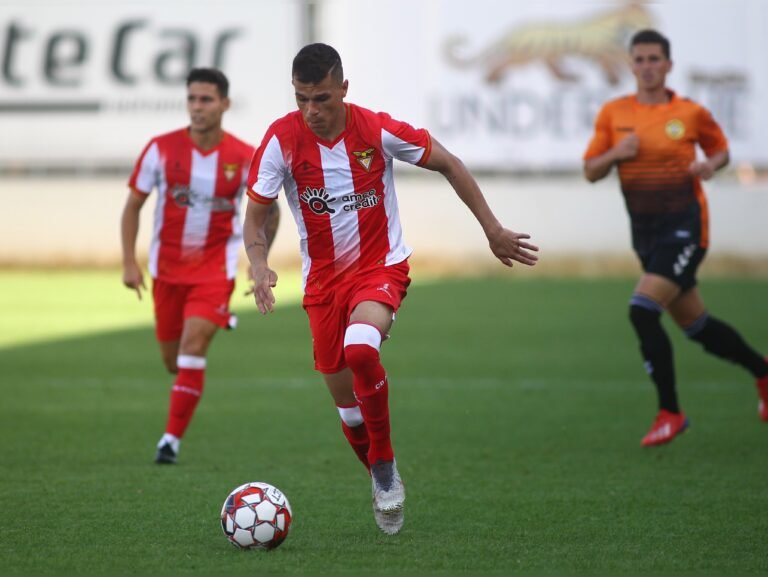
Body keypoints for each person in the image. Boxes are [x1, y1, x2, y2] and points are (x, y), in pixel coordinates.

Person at [242, 43, 538, 534]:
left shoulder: (375, 129)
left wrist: (492, 229)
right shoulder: (281, 139)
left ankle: (383, 467)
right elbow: (255, 216)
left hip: (381, 268)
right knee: (347, 409)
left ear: (344, 89)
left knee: (361, 349)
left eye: (321, 98)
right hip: (322, 284)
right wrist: (258, 263)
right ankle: (382, 471)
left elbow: (449, 162)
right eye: (301, 99)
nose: (311, 111)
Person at [583, 29, 768, 446]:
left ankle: (670, 412)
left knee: (642, 309)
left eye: (655, 59)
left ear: (669, 65)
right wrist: (616, 154)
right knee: (697, 326)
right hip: (646, 236)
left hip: (686, 229)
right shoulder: (614, 113)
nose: (647, 67)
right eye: (640, 60)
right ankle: (763, 372)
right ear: (631, 66)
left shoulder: (690, 113)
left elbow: (721, 152)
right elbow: (591, 170)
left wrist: (709, 166)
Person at [121, 68, 280, 464]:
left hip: (214, 272)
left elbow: (269, 211)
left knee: (194, 346)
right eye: (192, 98)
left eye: (206, 99)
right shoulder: (160, 149)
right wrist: (129, 261)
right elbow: (133, 206)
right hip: (167, 273)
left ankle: (169, 442)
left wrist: (259, 259)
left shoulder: (244, 156)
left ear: (224, 104)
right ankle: (216, 319)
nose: (197, 107)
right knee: (173, 361)